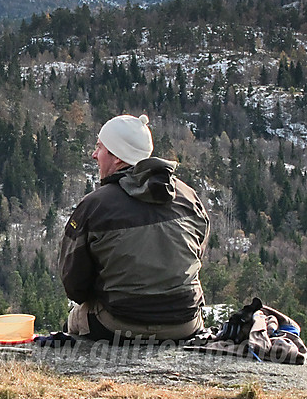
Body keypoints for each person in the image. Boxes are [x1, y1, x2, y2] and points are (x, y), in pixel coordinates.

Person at [58, 114, 209, 342]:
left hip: (119, 325)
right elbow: (196, 255)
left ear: (117, 157)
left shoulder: (94, 206)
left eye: (100, 147)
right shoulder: (188, 197)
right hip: (185, 324)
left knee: (76, 318)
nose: (94, 154)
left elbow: (74, 285)